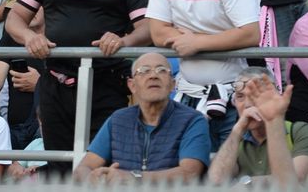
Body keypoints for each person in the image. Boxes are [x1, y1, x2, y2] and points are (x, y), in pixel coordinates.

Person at [6, 0, 150, 174]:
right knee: (59, 166)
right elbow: (14, 19)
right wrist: (29, 37)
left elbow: (147, 27)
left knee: (102, 168)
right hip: (55, 86)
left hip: (106, 85)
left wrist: (123, 40)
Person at [147, 0, 260, 145]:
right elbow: (158, 33)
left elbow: (251, 33)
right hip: (186, 95)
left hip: (233, 95)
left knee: (229, 169)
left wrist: (197, 42)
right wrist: (198, 39)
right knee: (190, 169)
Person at [73, 53, 209, 183]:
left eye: (161, 70)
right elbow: (83, 168)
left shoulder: (192, 120)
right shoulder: (118, 120)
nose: (153, 76)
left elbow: (190, 173)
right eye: (144, 71)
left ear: (173, 85)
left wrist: (134, 178)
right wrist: (93, 178)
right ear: (132, 85)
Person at [209, 67, 308, 184]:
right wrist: (238, 129)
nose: (248, 104)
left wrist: (248, 184)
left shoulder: (298, 131)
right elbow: (216, 179)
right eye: (240, 97)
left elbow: (291, 181)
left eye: (255, 96)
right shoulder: (236, 139)